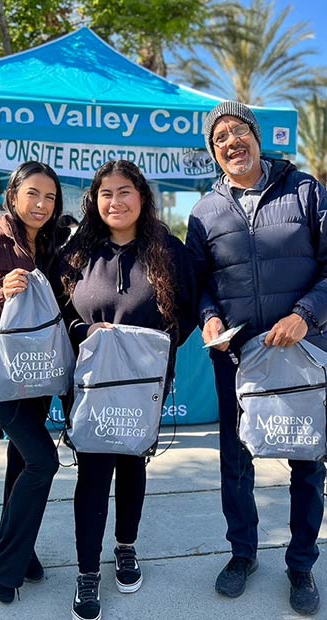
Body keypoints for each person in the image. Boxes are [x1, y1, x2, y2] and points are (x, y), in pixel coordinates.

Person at [186, 100, 327, 616]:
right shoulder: (204, 212)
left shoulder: (305, 190)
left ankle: (301, 564)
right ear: (214, 151)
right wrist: (208, 319)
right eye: (219, 137)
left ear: (256, 135)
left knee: (307, 460)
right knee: (236, 460)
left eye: (238, 130)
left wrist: (307, 315)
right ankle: (242, 554)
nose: (230, 141)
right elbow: (197, 283)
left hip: (304, 350)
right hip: (238, 359)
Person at [58, 159, 196, 620]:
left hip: (144, 386)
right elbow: (60, 311)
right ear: (95, 201)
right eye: (105, 194)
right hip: (92, 385)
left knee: (133, 464)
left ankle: (125, 546)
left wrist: (157, 346)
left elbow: (189, 309)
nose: (114, 202)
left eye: (123, 192)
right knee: (92, 473)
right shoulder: (77, 252)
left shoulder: (169, 251)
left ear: (141, 196)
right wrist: (82, 333)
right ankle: (86, 573)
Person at [0, 161, 64, 604]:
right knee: (44, 460)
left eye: (50, 197)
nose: (42, 204)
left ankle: (20, 550)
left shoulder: (55, 244)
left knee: (22, 462)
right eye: (33, 194)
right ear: (13, 194)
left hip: (38, 372)